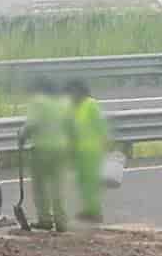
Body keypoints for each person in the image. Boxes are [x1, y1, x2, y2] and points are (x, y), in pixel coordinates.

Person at [19, 79, 72, 232]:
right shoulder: (64, 103)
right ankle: (61, 221)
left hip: (42, 149)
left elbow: (32, 124)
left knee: (40, 187)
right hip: (61, 150)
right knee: (58, 186)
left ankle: (45, 219)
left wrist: (22, 135)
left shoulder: (39, 102)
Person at [67, 78, 109, 223]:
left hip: (92, 151)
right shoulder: (76, 107)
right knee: (83, 182)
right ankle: (88, 210)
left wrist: (104, 145)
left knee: (91, 183)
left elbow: (100, 126)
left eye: (73, 91)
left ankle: (95, 212)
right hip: (80, 151)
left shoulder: (91, 104)